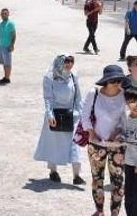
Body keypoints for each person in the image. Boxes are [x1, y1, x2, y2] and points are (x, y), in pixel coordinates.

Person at [82, 65, 128, 216]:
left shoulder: (125, 95)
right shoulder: (93, 93)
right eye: (113, 80)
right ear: (105, 81)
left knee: (118, 181)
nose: (117, 83)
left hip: (119, 145)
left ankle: (115, 213)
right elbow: (84, 116)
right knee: (97, 179)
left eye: (119, 80)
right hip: (96, 145)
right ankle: (99, 211)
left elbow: (127, 118)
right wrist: (91, 133)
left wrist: (118, 131)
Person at [33, 54, 85, 185]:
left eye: (71, 61)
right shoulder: (49, 77)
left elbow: (78, 97)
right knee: (53, 144)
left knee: (75, 145)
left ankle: (76, 175)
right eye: (66, 61)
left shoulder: (73, 76)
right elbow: (48, 98)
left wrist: (83, 114)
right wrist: (49, 114)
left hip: (71, 116)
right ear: (59, 62)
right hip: (55, 116)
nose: (69, 64)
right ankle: (53, 171)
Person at [116, 89, 137, 216]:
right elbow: (124, 137)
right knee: (128, 196)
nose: (136, 106)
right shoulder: (126, 119)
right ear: (127, 103)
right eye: (132, 102)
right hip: (128, 162)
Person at [0, 8, 16, 85]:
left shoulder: (10, 24)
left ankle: (7, 78)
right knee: (4, 63)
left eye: (5, 13)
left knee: (8, 63)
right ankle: (5, 77)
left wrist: (12, 45)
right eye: (2, 14)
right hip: (0, 46)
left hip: (7, 46)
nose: (3, 15)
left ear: (8, 14)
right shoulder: (1, 24)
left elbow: (14, 35)